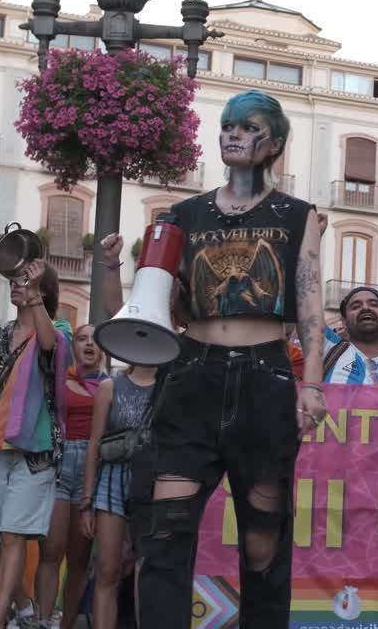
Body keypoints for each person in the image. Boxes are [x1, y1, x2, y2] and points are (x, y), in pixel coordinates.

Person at [131, 89, 327, 629]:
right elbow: (161, 309)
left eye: (248, 126)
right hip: (192, 374)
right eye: (227, 125)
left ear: (275, 143)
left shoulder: (297, 215)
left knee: (264, 543)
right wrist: (136, 273)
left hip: (265, 376)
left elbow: (311, 303)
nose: (233, 133)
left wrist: (311, 384)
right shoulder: (183, 214)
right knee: (164, 534)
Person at [0, 260, 67, 629]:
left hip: (35, 450)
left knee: (12, 536)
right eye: (15, 280)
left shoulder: (59, 331)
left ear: (43, 288)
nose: (15, 285)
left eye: (24, 280)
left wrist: (37, 296)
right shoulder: (0, 333)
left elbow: (49, 346)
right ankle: (23, 603)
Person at [34, 322, 108, 629]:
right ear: (73, 346)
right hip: (61, 466)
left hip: (93, 471)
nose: (89, 344)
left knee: (79, 560)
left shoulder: (110, 385)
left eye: (94, 340)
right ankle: (41, 621)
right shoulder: (59, 381)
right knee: (51, 551)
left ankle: (66, 624)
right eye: (82, 339)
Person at [81, 364, 156, 629]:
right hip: (112, 479)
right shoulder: (109, 387)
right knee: (107, 570)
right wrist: (87, 501)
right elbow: (94, 444)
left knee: (147, 571)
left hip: (151, 484)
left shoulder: (169, 387)